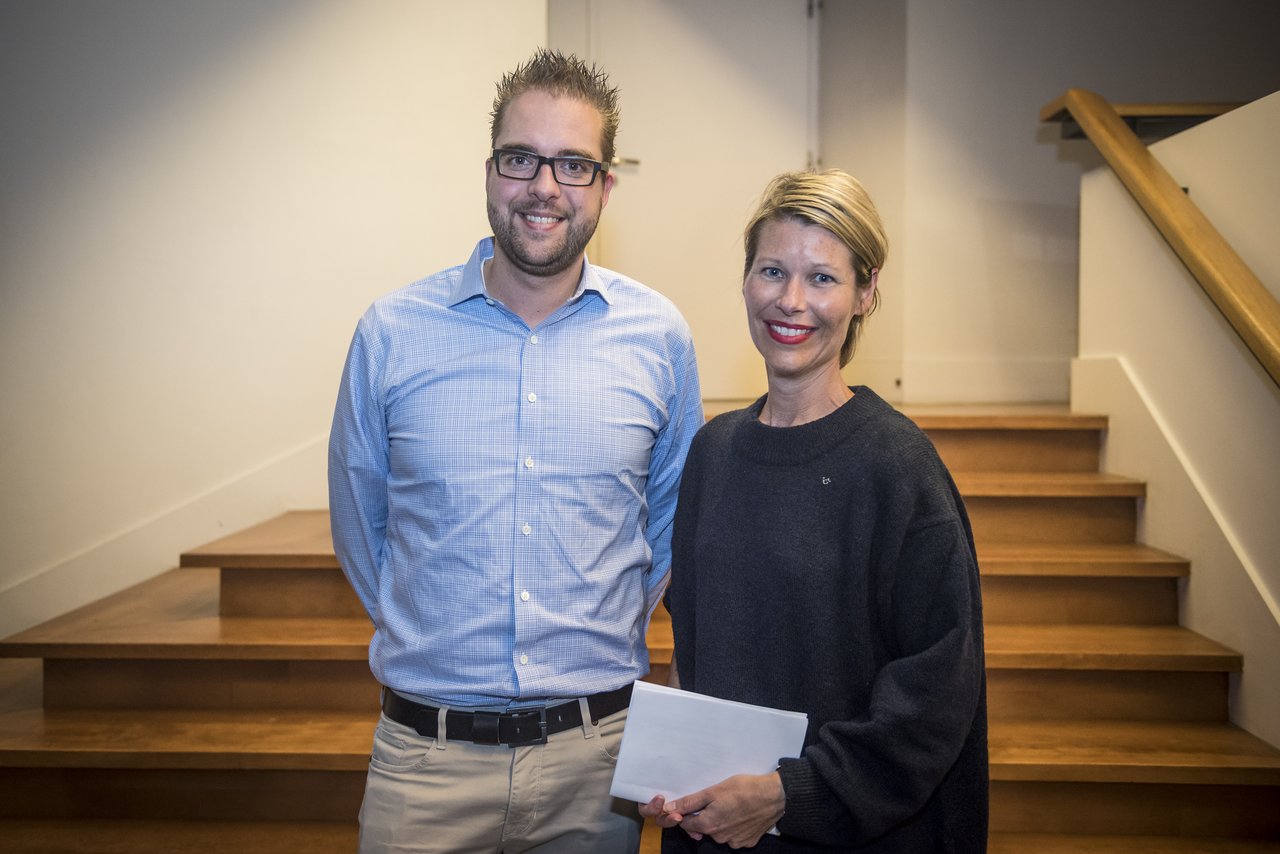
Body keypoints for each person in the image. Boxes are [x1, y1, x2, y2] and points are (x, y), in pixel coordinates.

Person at [328, 49, 703, 854]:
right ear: (490, 171)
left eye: (574, 163)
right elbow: (364, 532)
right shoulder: (391, 333)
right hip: (424, 767)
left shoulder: (660, 337)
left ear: (606, 184)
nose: (544, 186)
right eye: (520, 158)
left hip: (596, 769)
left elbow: (669, 525)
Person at [640, 170, 988, 852]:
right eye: (772, 270)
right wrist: (669, 768)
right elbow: (694, 646)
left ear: (866, 292)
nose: (791, 301)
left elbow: (936, 699)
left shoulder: (898, 468)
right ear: (745, 281)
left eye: (822, 278)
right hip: (710, 833)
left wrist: (786, 796)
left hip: (847, 834)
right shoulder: (713, 451)